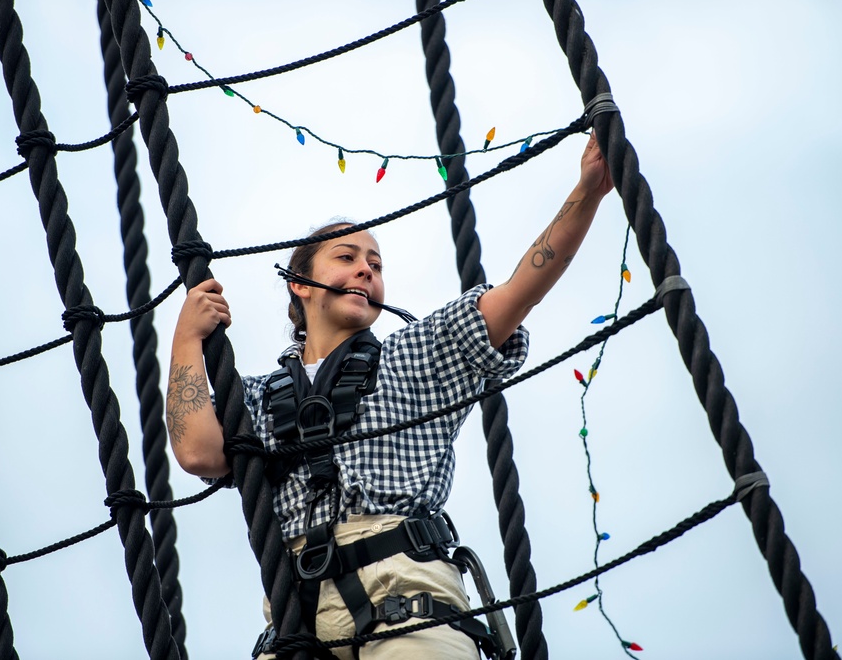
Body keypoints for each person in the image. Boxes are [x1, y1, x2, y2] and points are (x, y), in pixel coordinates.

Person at [166, 132, 614, 659]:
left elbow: (521, 290)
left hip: (408, 597)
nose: (366, 270)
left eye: (376, 265)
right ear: (300, 284)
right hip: (296, 620)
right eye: (347, 257)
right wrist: (187, 338)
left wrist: (589, 190)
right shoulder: (257, 399)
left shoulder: (419, 354)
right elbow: (198, 452)